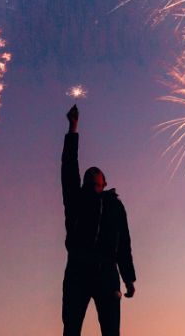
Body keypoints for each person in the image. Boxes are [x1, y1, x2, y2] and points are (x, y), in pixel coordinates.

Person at [61, 104, 136, 336]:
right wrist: (73, 128)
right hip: (78, 269)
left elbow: (123, 242)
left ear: (104, 183)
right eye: (88, 177)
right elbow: (69, 167)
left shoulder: (115, 206)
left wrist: (129, 278)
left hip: (107, 272)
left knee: (111, 331)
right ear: (83, 183)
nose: (92, 175)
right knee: (72, 328)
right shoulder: (76, 199)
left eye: (96, 178)